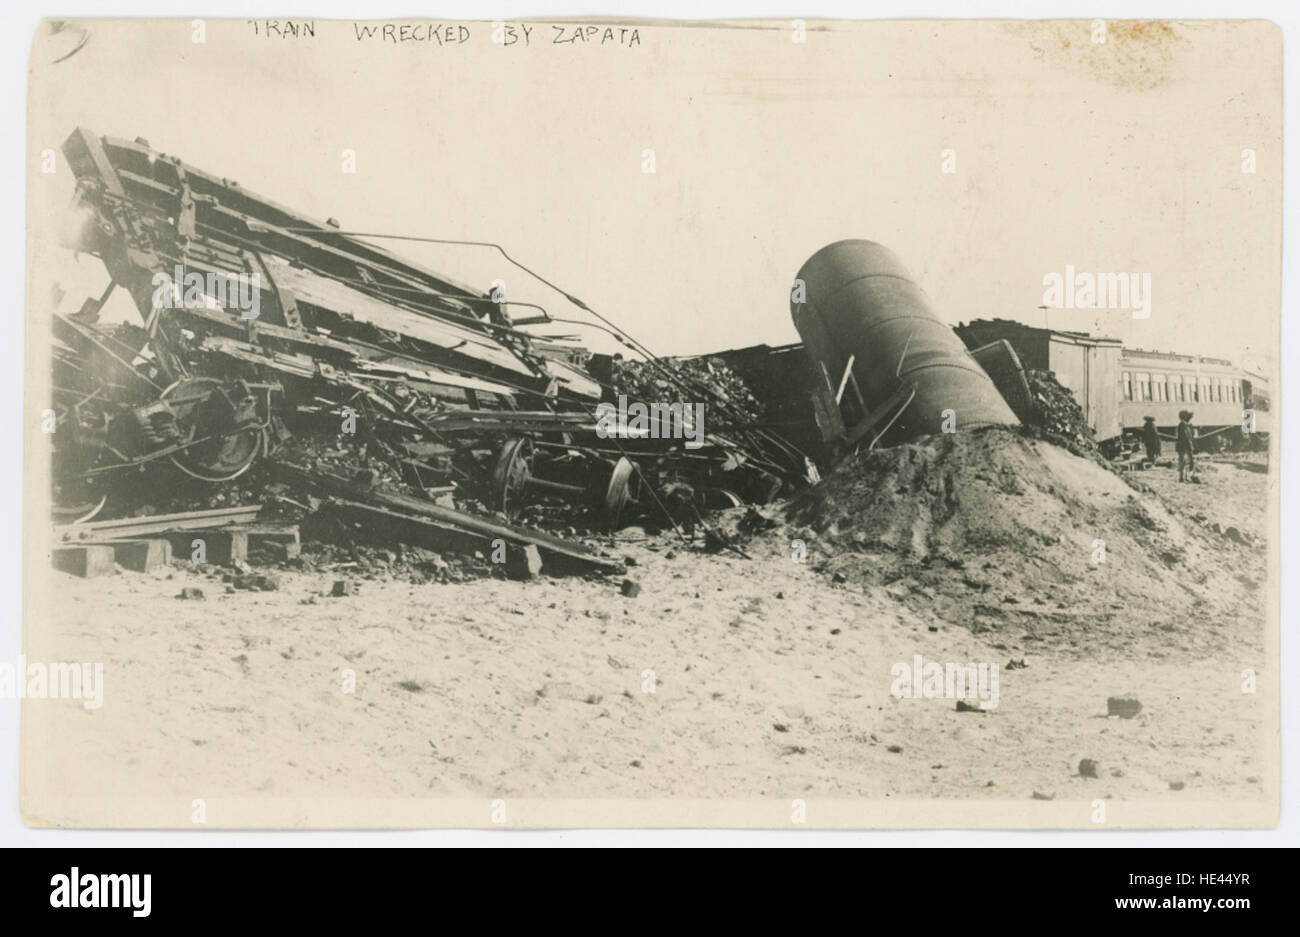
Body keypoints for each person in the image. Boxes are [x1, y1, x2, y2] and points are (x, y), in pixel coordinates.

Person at [1176, 410, 1196, 482]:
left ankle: (1183, 477)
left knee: (1184, 462)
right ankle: (1183, 477)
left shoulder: (1184, 425)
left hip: (1183, 447)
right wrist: (1190, 446)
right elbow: (1186, 438)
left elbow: (1190, 436)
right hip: (1184, 447)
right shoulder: (1183, 426)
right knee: (1185, 462)